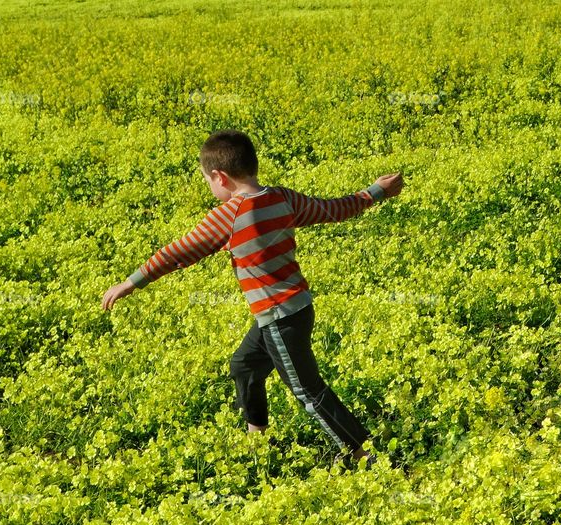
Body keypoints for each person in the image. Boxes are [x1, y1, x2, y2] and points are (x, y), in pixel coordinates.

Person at [101, 129, 404, 470]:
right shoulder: (282, 199)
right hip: (297, 308)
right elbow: (334, 209)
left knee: (307, 391)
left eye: (207, 180)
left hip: (278, 316)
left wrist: (130, 283)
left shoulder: (230, 214)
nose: (209, 187)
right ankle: (258, 441)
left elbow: (178, 253)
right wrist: (376, 192)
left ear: (220, 177)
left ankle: (366, 459)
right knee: (244, 366)